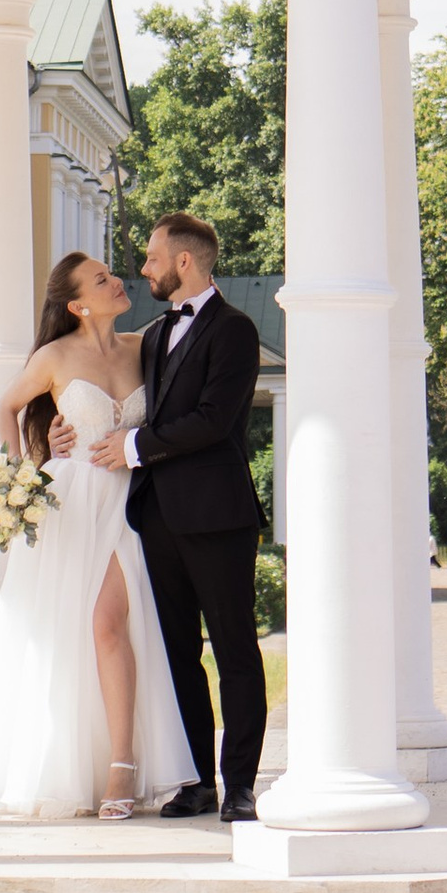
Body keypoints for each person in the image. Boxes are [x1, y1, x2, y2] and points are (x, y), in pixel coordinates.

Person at [0, 249, 198, 822]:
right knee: (77, 632)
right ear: (77, 303)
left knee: (110, 623)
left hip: (135, 501)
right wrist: (24, 469)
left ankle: (123, 762)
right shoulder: (54, 355)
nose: (116, 280)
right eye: (101, 280)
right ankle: (87, 762)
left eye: (112, 273)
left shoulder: (143, 346)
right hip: (73, 501)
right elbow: (5, 407)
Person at [71, 212, 266, 822]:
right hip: (155, 518)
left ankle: (239, 785)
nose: (144, 269)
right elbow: (109, 399)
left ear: (185, 262)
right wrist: (63, 429)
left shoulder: (236, 330)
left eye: (153, 258)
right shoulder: (153, 336)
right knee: (177, 652)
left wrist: (132, 447)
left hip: (218, 517)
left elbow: (211, 420)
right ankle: (198, 781)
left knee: (234, 651)